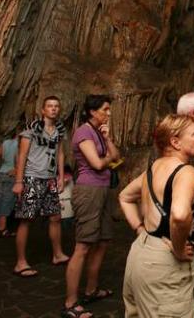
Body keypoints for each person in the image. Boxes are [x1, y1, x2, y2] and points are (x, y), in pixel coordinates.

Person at [119, 114, 194, 317]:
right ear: (175, 142)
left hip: (140, 255)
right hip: (163, 263)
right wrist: (178, 249)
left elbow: (124, 197)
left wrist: (141, 231)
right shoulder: (186, 172)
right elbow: (180, 215)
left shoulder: (153, 168)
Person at [63, 95, 121, 318]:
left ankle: (91, 290)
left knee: (103, 241)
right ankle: (70, 303)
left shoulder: (98, 133)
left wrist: (107, 140)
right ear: (92, 111)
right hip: (88, 191)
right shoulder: (83, 132)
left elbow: (115, 155)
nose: (108, 113)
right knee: (83, 246)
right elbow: (97, 164)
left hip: (104, 190)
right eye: (105, 109)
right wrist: (106, 158)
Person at [12, 96, 70, 278]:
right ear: (43, 110)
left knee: (55, 217)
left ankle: (58, 254)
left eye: (56, 106)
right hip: (32, 178)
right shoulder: (31, 130)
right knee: (26, 219)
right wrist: (19, 182)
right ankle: (20, 263)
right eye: (50, 106)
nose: (53, 109)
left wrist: (61, 176)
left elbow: (60, 154)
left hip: (50, 179)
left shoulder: (60, 131)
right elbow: (22, 155)